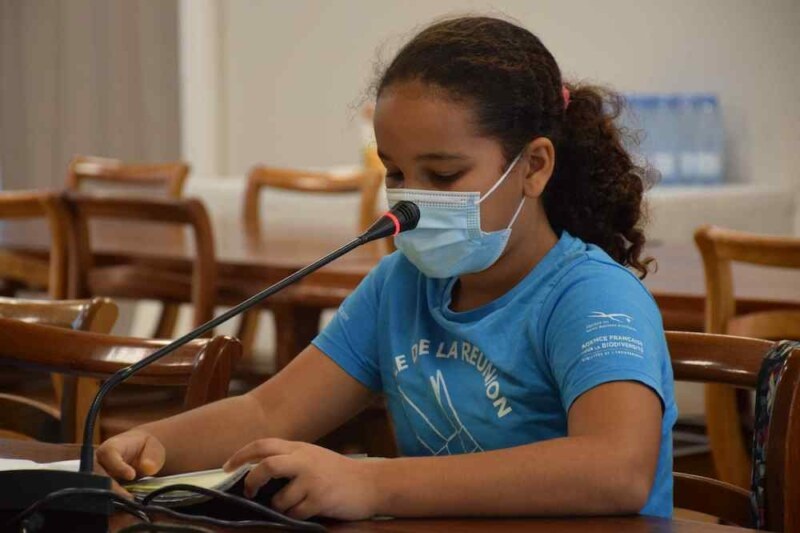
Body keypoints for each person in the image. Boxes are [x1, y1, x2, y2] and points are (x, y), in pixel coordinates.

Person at [97, 15, 677, 521]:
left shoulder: (591, 296)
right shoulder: (402, 285)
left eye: (443, 175)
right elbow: (267, 410)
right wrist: (152, 442)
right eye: (395, 172)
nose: (411, 199)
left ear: (534, 165)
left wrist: (371, 483)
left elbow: (615, 469)